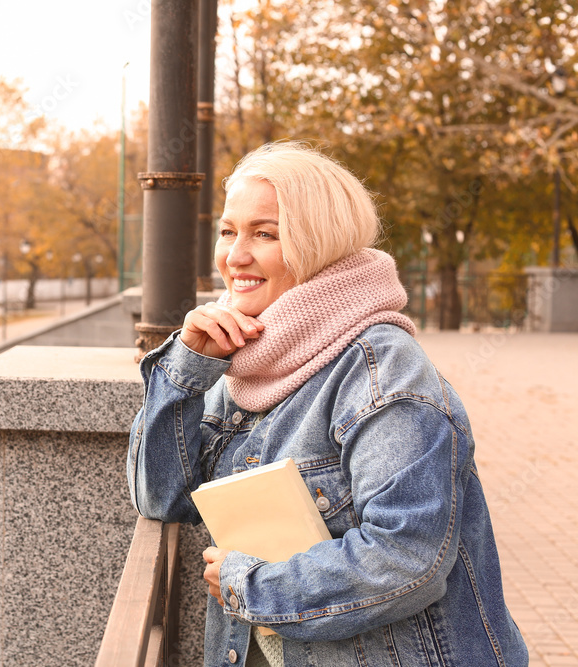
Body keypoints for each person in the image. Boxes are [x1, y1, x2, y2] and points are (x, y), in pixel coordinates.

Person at [127, 142, 527, 666]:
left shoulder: (382, 372)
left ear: (317, 243)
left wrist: (249, 585)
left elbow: (407, 557)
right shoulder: (245, 356)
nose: (235, 256)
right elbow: (160, 497)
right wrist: (185, 369)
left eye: (265, 234)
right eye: (229, 232)